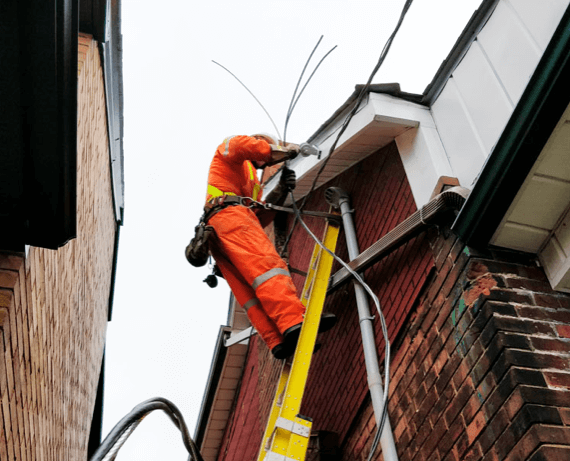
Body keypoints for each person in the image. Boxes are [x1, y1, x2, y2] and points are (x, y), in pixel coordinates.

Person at [195, 134, 334, 359]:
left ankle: (277, 341)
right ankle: (293, 322)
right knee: (268, 269)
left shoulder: (250, 184)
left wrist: (279, 191)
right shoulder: (231, 153)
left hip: (219, 233)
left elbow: (256, 218)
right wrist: (285, 150)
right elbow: (240, 146)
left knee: (250, 292)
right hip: (229, 220)